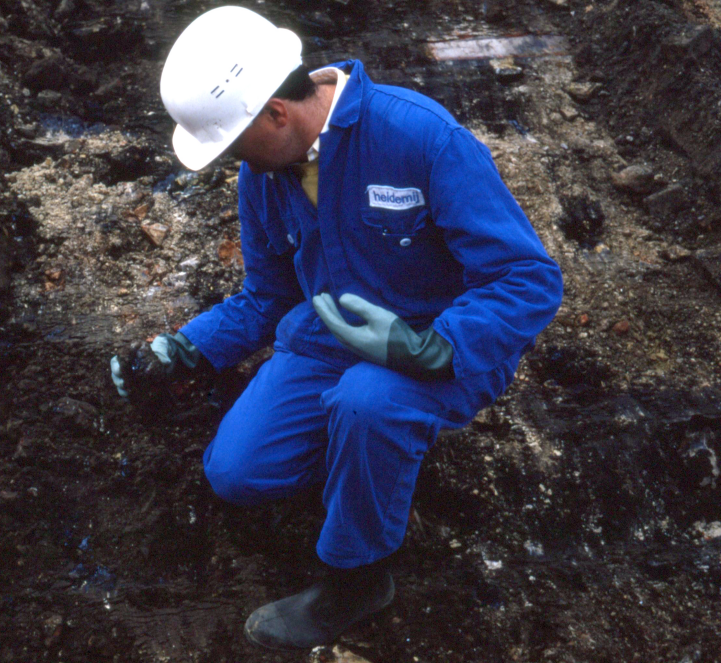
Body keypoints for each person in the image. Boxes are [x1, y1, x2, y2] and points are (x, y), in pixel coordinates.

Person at [111, 6, 563, 651]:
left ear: (276, 113)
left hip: (442, 348)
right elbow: (267, 295)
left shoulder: (419, 137)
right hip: (329, 341)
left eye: (235, 143)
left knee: (369, 402)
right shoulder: (264, 175)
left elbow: (528, 277)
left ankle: (357, 577)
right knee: (237, 474)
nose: (234, 160)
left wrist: (436, 348)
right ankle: (373, 457)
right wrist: (186, 349)